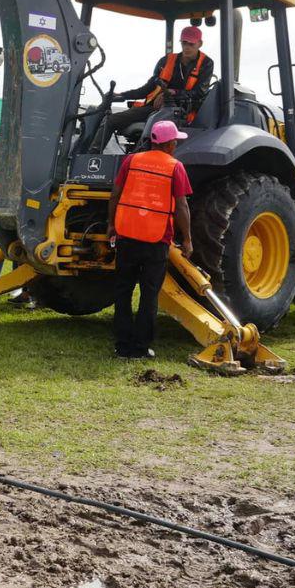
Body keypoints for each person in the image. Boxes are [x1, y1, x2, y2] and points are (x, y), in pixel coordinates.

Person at [106, 120, 194, 359]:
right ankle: (141, 348)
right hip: (156, 239)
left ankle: (122, 346)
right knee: (148, 294)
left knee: (123, 291)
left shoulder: (131, 161)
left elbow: (115, 194)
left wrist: (111, 225)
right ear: (170, 143)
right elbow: (182, 206)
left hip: (126, 234)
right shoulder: (175, 167)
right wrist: (187, 239)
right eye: (175, 140)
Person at [106, 25, 215, 136]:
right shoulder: (166, 61)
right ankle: (94, 152)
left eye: (191, 44)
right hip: (156, 108)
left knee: (113, 120)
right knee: (111, 120)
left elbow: (199, 93)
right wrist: (122, 95)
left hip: (182, 111)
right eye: (184, 43)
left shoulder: (206, 64)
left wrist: (171, 93)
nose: (187, 47)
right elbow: (148, 88)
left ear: (200, 44)